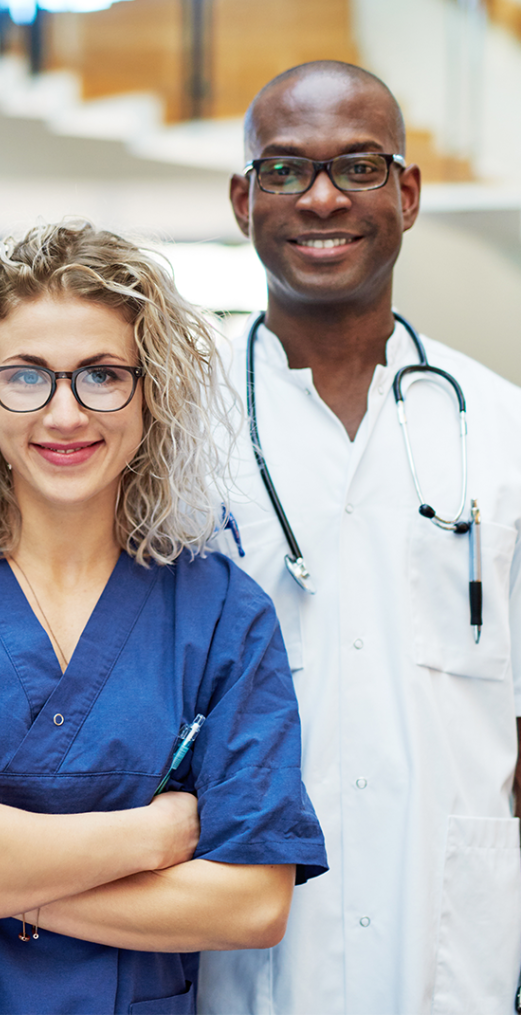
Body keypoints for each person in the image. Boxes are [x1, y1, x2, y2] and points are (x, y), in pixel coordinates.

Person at [0, 221, 327, 1015]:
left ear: (151, 390)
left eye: (102, 374)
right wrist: (150, 840)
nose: (64, 413)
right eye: (27, 376)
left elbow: (251, 905)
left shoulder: (222, 612)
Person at [196, 61, 521, 1015]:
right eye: (285, 170)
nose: (322, 197)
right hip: (239, 931)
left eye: (360, 166)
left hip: (450, 929)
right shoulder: (174, 429)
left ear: (408, 193)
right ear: (243, 198)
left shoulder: (500, 430)